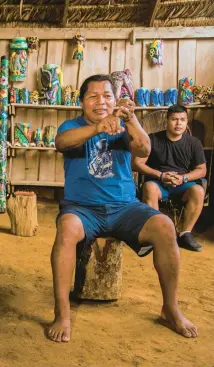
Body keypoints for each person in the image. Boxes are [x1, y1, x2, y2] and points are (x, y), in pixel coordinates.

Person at [48, 74, 198, 343]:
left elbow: (144, 149)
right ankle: (62, 313)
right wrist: (98, 128)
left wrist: (130, 119)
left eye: (106, 95)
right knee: (66, 228)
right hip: (83, 209)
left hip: (125, 208)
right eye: (92, 96)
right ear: (82, 102)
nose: (100, 101)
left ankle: (170, 308)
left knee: (164, 226)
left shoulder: (125, 126)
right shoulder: (71, 126)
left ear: (115, 100)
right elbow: (61, 143)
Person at [132, 104, 207, 252]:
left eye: (182, 120)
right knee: (149, 188)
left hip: (182, 184)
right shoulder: (152, 139)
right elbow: (137, 164)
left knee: (198, 190)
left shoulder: (194, 143)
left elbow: (202, 170)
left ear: (186, 122)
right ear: (167, 120)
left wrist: (183, 178)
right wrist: (160, 175)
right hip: (159, 182)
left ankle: (185, 234)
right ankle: (157, 233)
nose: (179, 123)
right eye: (174, 119)